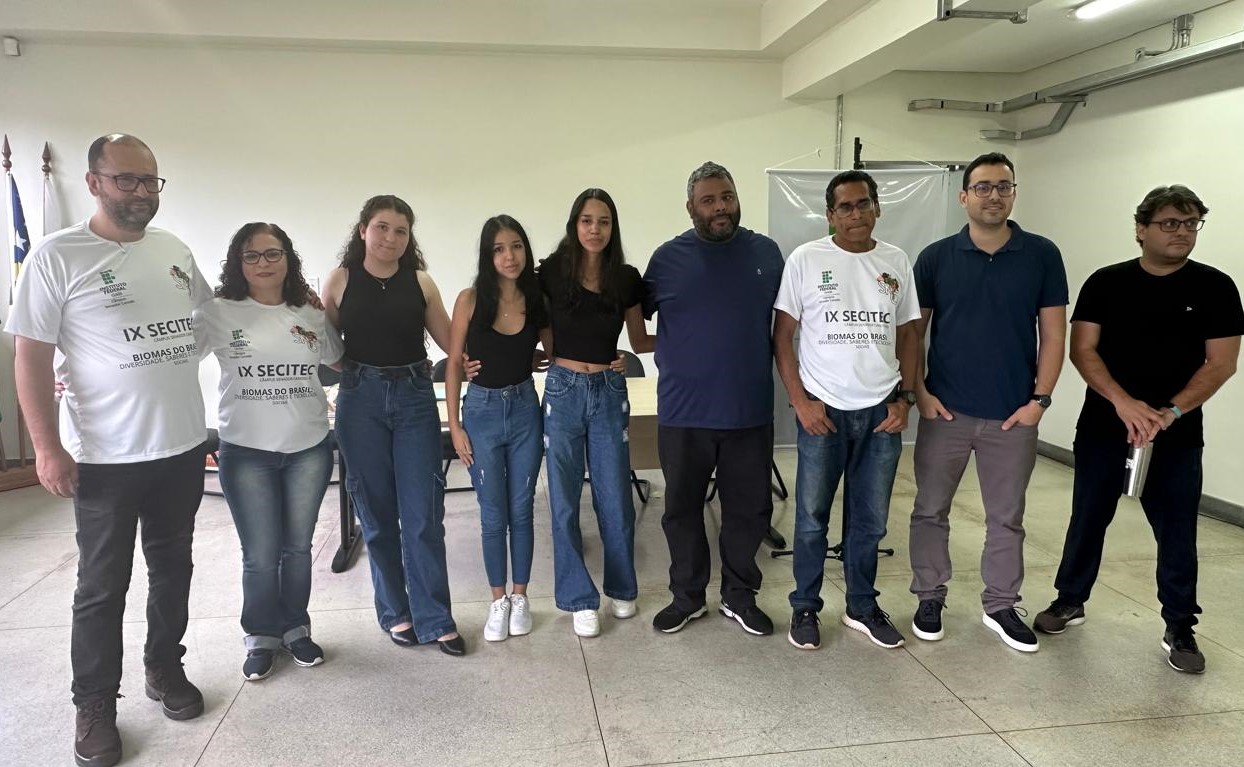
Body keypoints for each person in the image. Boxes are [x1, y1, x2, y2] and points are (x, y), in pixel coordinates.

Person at [7, 134, 210, 767]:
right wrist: (46, 448)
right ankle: (94, 703)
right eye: (127, 180)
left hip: (180, 446)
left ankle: (164, 667)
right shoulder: (56, 256)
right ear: (94, 182)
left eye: (150, 181)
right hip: (103, 458)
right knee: (102, 585)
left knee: (173, 569)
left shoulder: (173, 250)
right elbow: (30, 356)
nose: (141, 192)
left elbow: (208, 320)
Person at [1033, 185, 1242, 674]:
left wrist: (1168, 413)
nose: (1182, 232)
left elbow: (1221, 363)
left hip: (1176, 432)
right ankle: (1070, 599)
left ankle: (1180, 625)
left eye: (1191, 223)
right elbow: (1084, 350)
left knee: (1176, 529)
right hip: (1105, 425)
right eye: (1169, 223)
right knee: (1088, 516)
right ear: (1141, 229)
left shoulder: (1215, 287)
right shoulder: (1107, 283)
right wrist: (1124, 404)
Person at [908, 152, 1068, 653]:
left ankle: (1000, 605)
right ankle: (929, 597)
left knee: (1006, 518)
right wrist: (919, 393)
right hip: (946, 412)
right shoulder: (936, 257)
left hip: (1012, 416)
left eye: (1003, 186)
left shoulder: (1041, 254)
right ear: (964, 197)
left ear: (1014, 193)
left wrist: (1040, 400)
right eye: (983, 187)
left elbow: (1054, 334)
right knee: (930, 510)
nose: (993, 195)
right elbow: (914, 333)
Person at [774, 171, 921, 651]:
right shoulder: (806, 259)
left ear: (877, 207)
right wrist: (800, 401)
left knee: (871, 520)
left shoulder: (895, 261)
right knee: (811, 518)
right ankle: (805, 606)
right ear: (830, 215)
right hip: (823, 412)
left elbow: (909, 334)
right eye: (845, 207)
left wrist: (906, 399)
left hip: (881, 413)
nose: (856, 214)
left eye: (864, 204)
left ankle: (861, 606)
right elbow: (783, 336)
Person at [194, 222, 344, 680]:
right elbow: (173, 358)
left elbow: (339, 360)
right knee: (260, 554)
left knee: (297, 549)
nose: (263, 263)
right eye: (252, 255)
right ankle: (260, 635)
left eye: (273, 253)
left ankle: (296, 628)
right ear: (238, 262)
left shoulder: (309, 312)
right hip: (247, 452)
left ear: (288, 259)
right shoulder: (217, 312)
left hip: (307, 449)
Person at [643, 161, 784, 636]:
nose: (720, 207)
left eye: (727, 197)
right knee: (681, 511)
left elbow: (791, 326)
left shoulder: (767, 254)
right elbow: (627, 315)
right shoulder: (666, 260)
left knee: (749, 511)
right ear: (691, 208)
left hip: (749, 411)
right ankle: (687, 597)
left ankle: (739, 597)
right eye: (708, 200)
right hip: (684, 412)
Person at [321, 195, 465, 656]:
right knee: (377, 515)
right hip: (360, 399)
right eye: (382, 227)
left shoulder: (420, 282)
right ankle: (396, 612)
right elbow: (327, 349)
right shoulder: (340, 280)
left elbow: (452, 344)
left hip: (414, 399)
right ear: (362, 229)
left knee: (423, 516)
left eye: (401, 231)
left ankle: (435, 617)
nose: (391, 238)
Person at [538, 188, 650, 638]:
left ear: (613, 227)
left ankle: (622, 587)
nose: (595, 229)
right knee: (564, 499)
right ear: (575, 224)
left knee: (615, 496)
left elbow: (640, 340)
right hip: (563, 390)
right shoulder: (552, 271)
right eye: (587, 220)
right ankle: (579, 598)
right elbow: (538, 325)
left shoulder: (625, 277)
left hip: (608, 389)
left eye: (603, 221)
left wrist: (699, 336)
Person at [445, 215, 551, 642]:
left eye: (517, 246)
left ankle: (521, 596)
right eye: (499, 249)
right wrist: (455, 426)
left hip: (525, 409)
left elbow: (558, 350)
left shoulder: (536, 299)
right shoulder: (470, 300)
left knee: (522, 509)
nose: (510, 256)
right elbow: (454, 364)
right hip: (482, 413)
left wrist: (609, 359)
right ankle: (497, 600)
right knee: (492, 514)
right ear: (487, 256)